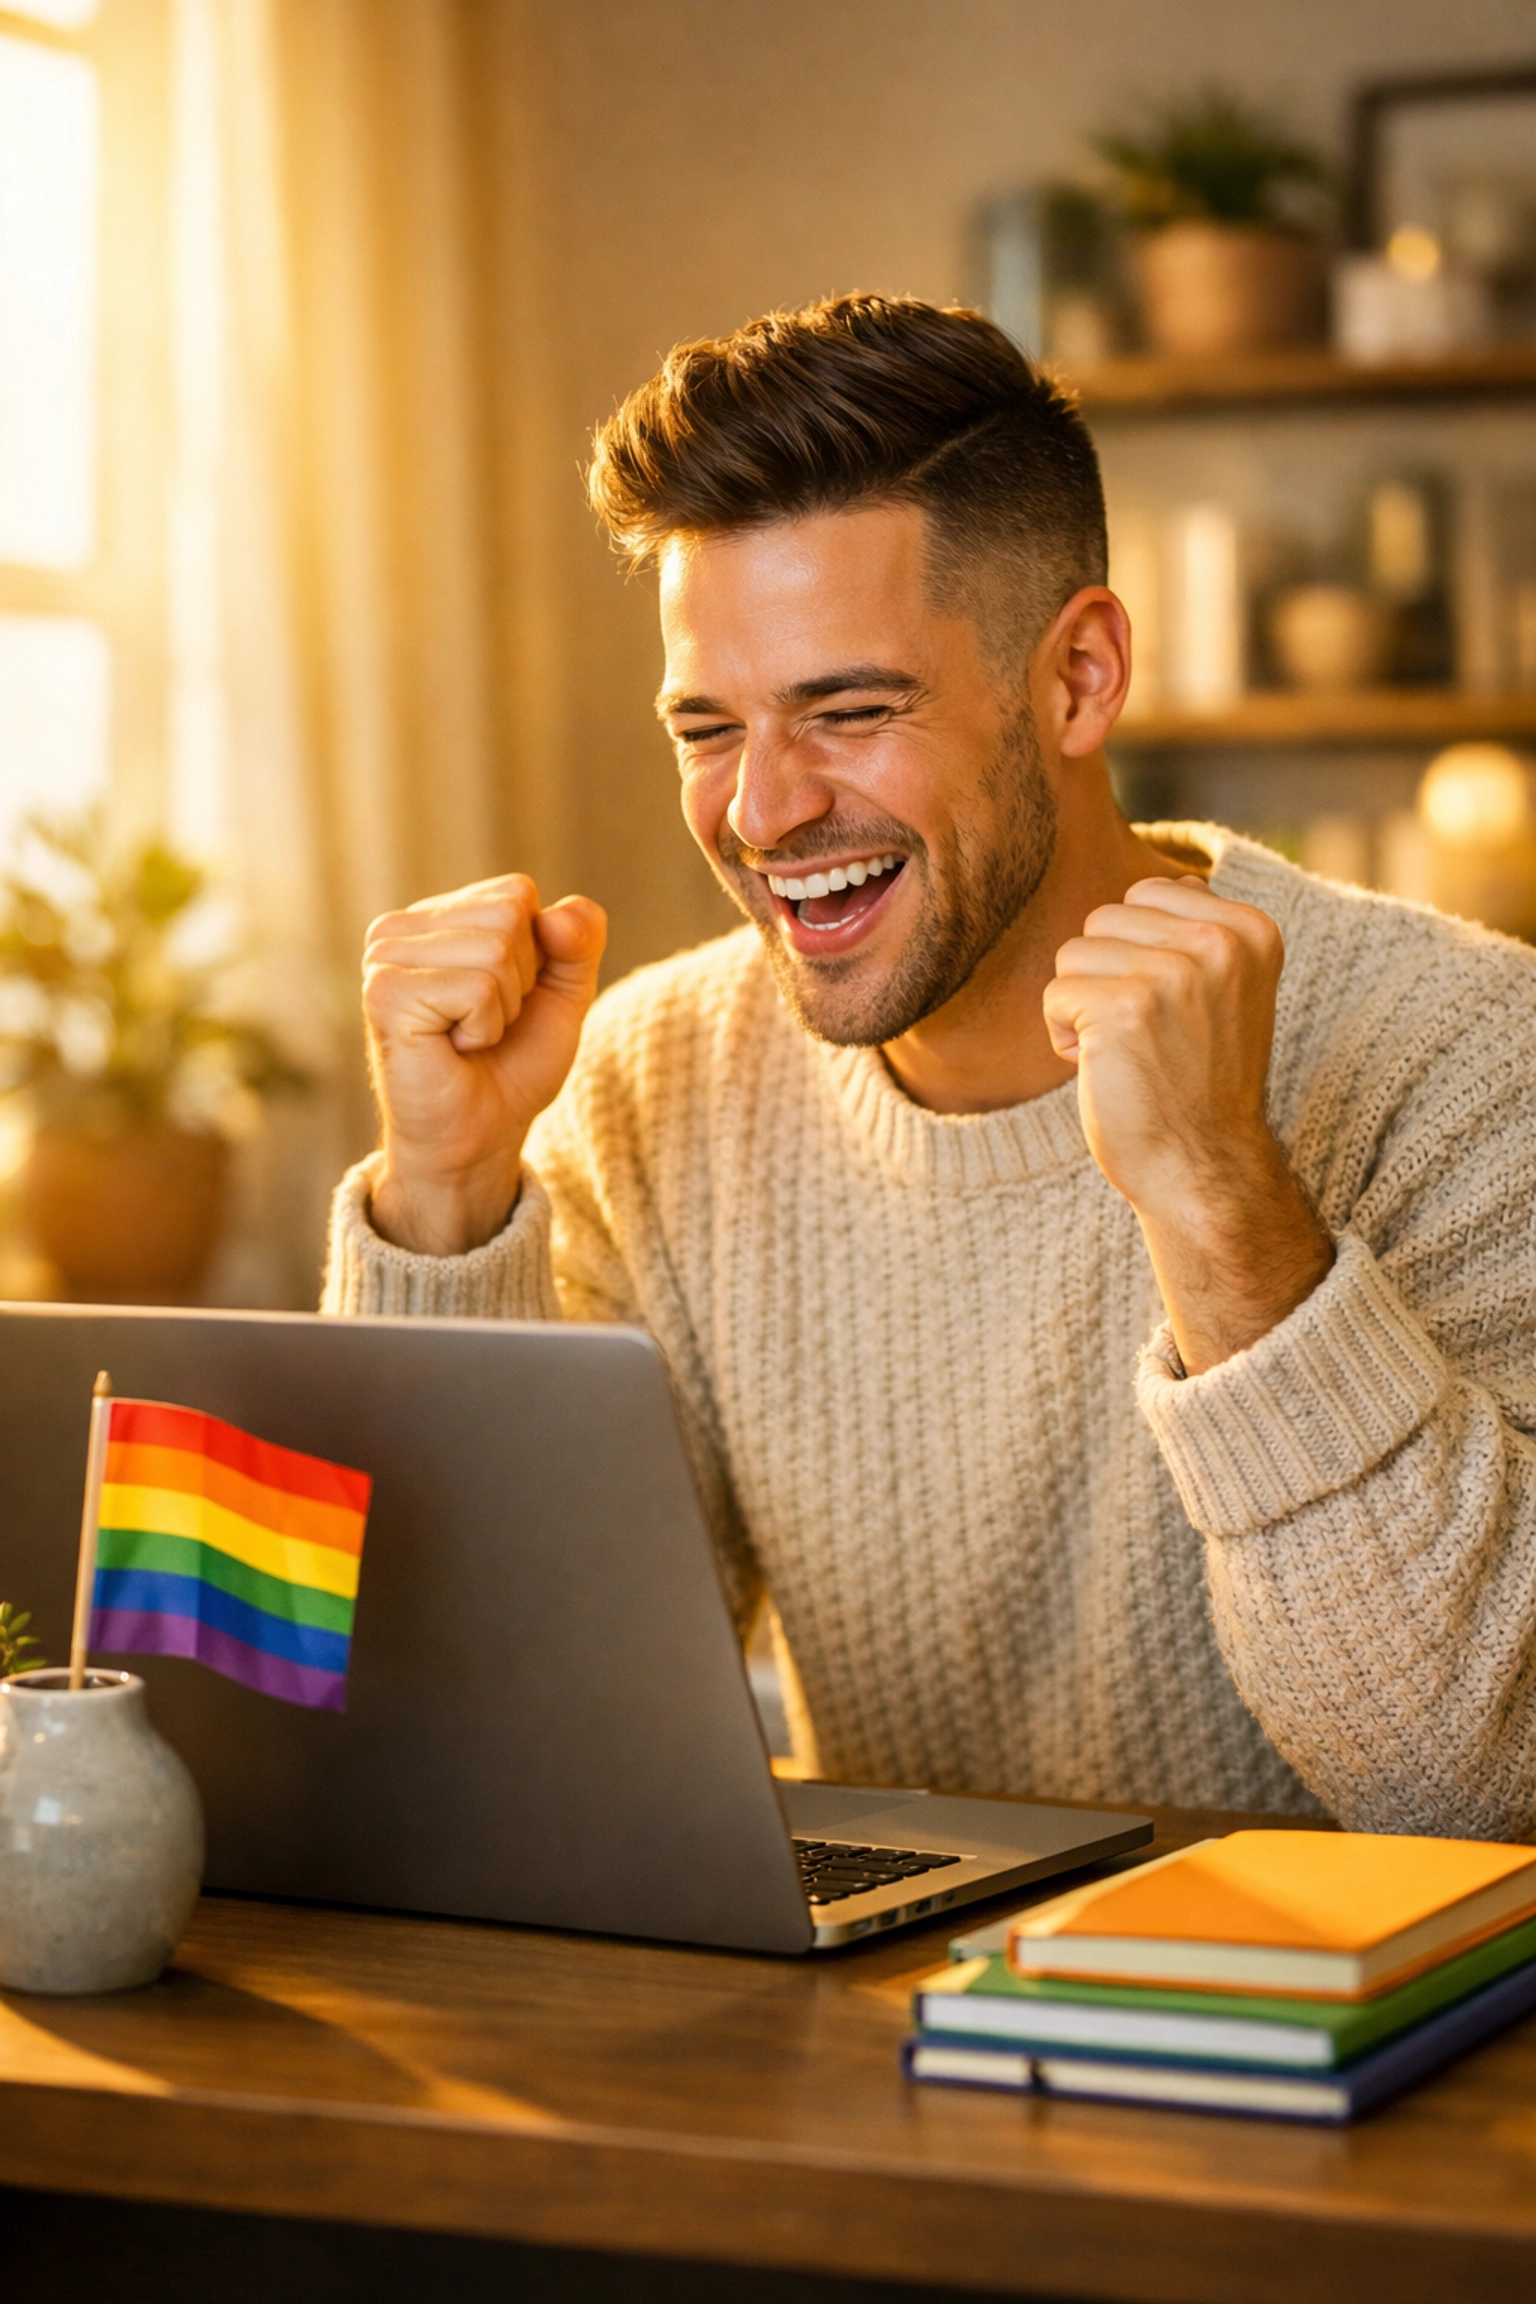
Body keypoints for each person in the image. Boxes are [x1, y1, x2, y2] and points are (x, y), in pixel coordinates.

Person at [325, 294, 1536, 1836]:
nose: (763, 813)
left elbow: (1477, 1787)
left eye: (848, 711)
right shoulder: (652, 1082)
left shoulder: (1474, 1053)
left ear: (1081, 678)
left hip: (1358, 2060)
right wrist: (444, 1202)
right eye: (709, 728)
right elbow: (478, 1737)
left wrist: (1227, 1206)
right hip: (866, 2052)